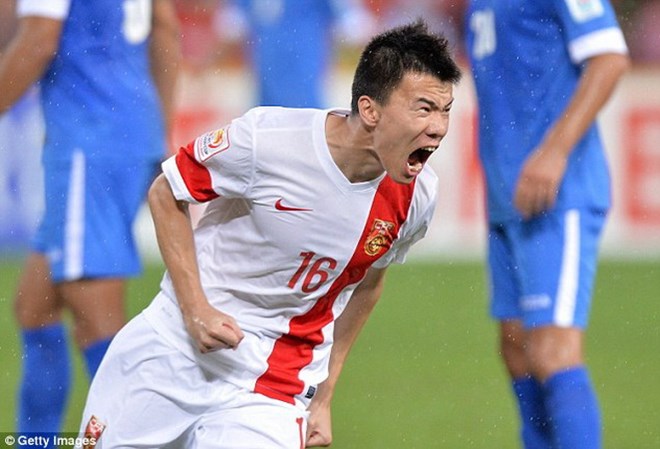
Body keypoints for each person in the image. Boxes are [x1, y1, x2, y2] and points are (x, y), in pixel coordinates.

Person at [78, 20, 461, 448]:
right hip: (173, 349)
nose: (439, 127)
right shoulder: (269, 140)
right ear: (370, 110)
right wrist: (196, 309)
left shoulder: (418, 196)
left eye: (445, 110)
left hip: (273, 388)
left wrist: (325, 393)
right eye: (424, 108)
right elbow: (167, 192)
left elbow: (368, 282)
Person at [0, 0, 180, 437]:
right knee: (36, 309)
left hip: (89, 144)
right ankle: (35, 442)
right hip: (122, 136)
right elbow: (166, 27)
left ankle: (150, 439)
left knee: (97, 320)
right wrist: (156, 128)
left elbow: (39, 40)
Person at [465, 1, 630, 448]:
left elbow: (610, 57)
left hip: (559, 194)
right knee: (517, 352)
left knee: (552, 350)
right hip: (506, 196)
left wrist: (554, 151)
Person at [214, 0, 376, 108]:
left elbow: (355, 26)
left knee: (305, 128)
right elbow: (229, 26)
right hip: (266, 82)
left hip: (306, 80)